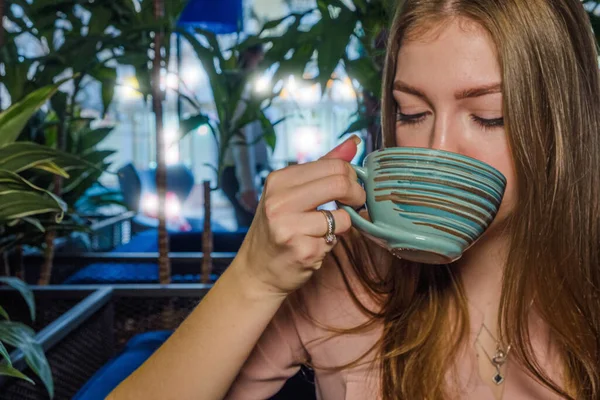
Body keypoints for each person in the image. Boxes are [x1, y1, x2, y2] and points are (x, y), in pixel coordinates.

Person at [108, 0, 600, 399]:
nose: (436, 150)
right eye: (411, 113)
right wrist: (254, 278)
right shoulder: (345, 275)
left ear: (563, 126)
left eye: (490, 116)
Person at [221, 44, 269, 229]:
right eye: (259, 58)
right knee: (250, 234)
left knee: (247, 230)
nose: (261, 63)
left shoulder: (240, 89)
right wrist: (247, 186)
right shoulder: (240, 91)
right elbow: (241, 140)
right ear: (249, 57)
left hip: (237, 172)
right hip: (237, 173)